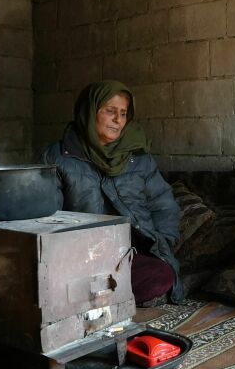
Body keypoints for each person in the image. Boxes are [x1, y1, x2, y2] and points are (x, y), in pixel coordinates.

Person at [41, 80, 183, 305]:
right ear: (89, 112)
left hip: (129, 254)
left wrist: (164, 241)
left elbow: (162, 203)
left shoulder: (138, 157)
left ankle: (88, 299)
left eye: (124, 113)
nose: (118, 120)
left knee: (160, 276)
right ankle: (96, 296)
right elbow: (47, 217)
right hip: (80, 258)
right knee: (54, 282)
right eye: (110, 111)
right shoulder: (59, 157)